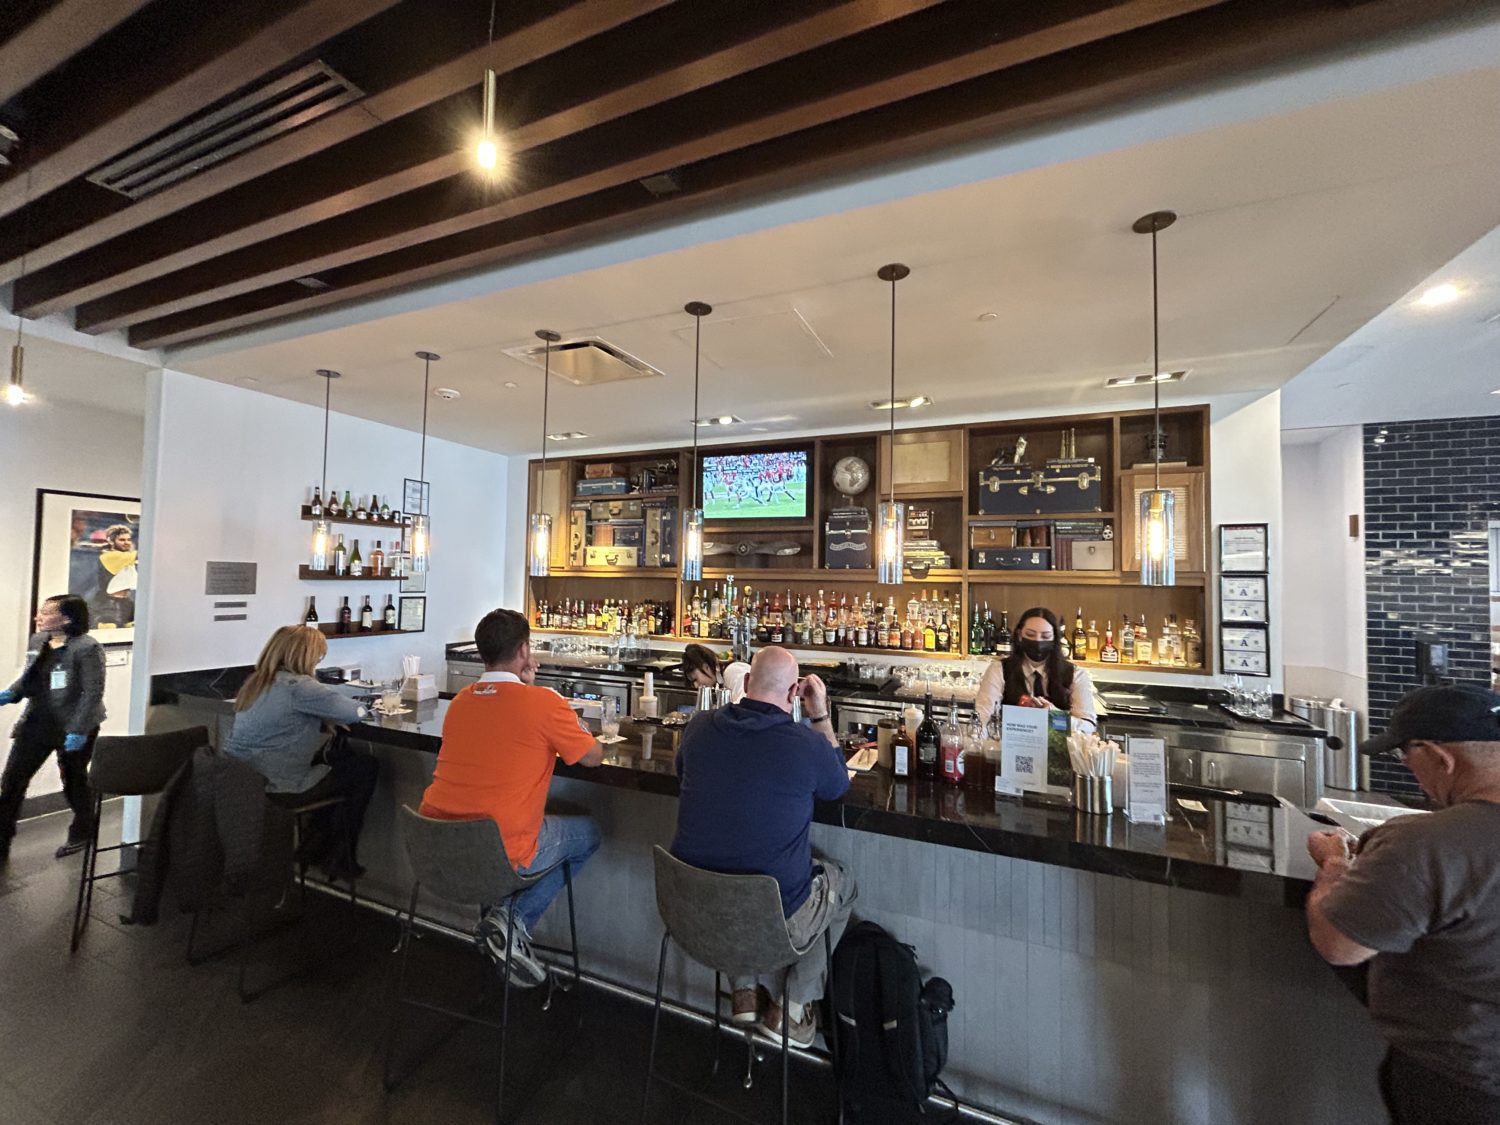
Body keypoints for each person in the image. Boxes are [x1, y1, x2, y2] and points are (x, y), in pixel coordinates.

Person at [1304, 685, 1500, 1125]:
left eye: (1404, 756)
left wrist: (1335, 865)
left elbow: (1339, 943)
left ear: (1438, 756)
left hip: (1464, 1081)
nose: (1409, 770)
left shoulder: (1424, 843)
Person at [671, 646, 855, 1047]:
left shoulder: (699, 728)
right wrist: (820, 714)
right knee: (844, 881)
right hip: (774, 925)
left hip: (691, 910)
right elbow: (839, 784)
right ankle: (793, 1008)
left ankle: (744, 991)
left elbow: (683, 771)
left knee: (730, 857)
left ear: (747, 684)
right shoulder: (806, 744)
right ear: (793, 695)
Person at [420, 608, 604, 987]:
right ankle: (511, 919)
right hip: (501, 852)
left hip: (435, 845)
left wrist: (528, 688)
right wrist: (555, 708)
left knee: (499, 826)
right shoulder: (544, 703)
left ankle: (500, 932)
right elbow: (593, 757)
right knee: (589, 833)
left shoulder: (461, 702)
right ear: (524, 650)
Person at [223, 625, 378, 882]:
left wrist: (322, 714)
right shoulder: (301, 687)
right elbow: (355, 712)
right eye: (319, 656)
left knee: (340, 763)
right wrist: (355, 710)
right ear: (306, 657)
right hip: (279, 787)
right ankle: (337, 854)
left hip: (242, 782)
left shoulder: (257, 682)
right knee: (365, 767)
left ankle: (318, 844)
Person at [0, 595, 106, 863]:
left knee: (74, 781)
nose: (38, 617)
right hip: (36, 722)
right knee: (12, 781)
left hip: (74, 724)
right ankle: (1, 838)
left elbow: (92, 693)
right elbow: (29, 676)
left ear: (66, 618)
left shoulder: (86, 648)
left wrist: (79, 730)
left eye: (45, 613)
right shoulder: (39, 641)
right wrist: (11, 693)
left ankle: (83, 831)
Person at [973, 606, 1097, 732]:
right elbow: (983, 717)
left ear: (1055, 639)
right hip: (1010, 749)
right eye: (1030, 635)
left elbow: (1087, 726)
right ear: (1019, 635)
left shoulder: (1076, 674)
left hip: (1060, 751)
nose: (1038, 641)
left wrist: (1054, 715)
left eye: (1045, 636)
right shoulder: (999, 670)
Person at [680, 642, 750, 704]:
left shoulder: (734, 670)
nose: (696, 685)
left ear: (705, 666)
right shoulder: (720, 682)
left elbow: (744, 706)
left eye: (695, 679)